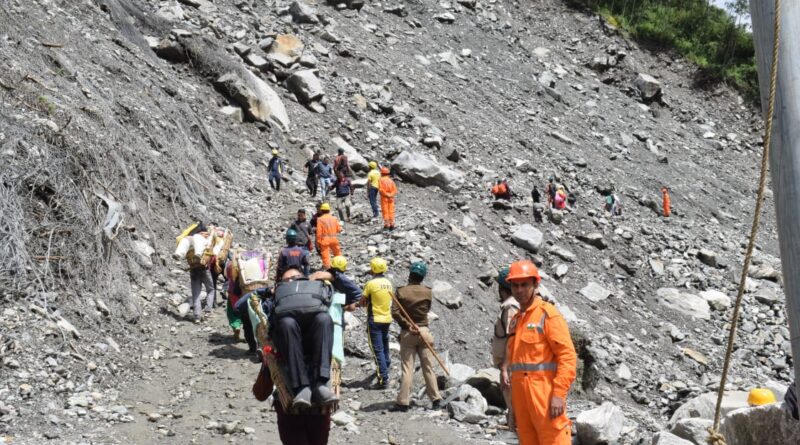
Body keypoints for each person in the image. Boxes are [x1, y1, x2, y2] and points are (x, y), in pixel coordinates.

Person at [501, 260, 577, 445]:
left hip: (545, 398)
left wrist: (559, 395)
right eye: (515, 285)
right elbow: (516, 366)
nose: (519, 290)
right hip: (522, 402)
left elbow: (567, 356)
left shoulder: (548, 315)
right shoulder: (516, 320)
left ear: (535, 284)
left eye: (524, 284)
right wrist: (513, 407)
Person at [271, 267, 338, 408]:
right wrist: (266, 292)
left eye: (295, 278)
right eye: (286, 280)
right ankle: (302, 387)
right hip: (289, 340)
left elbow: (353, 292)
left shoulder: (316, 287)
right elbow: (244, 305)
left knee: (324, 318)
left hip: (314, 339)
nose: (291, 281)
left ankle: (321, 383)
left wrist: (331, 275)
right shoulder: (275, 294)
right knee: (286, 322)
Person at [391, 262, 444, 412]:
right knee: (428, 367)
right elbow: (426, 309)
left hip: (408, 333)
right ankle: (436, 399)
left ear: (410, 274)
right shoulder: (428, 292)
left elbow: (395, 312)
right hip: (425, 332)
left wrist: (407, 324)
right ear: (423, 276)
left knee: (408, 368)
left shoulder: (401, 291)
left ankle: (403, 402)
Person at [491, 266, 520, 431]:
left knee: (508, 387)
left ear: (502, 288)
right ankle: (513, 417)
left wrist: (505, 365)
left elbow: (511, 335)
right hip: (510, 358)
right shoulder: (515, 304)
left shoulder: (510, 307)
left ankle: (515, 421)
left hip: (508, 359)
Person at [360, 257, 393, 388]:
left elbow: (362, 302)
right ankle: (387, 365)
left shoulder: (371, 284)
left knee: (377, 349)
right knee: (385, 345)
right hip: (387, 318)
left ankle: (383, 379)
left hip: (375, 319)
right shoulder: (388, 283)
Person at [315, 203, 342, 270]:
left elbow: (319, 232)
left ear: (321, 210)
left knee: (325, 255)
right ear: (329, 210)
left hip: (325, 240)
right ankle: (340, 265)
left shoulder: (320, 219)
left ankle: (327, 269)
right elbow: (339, 229)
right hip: (334, 239)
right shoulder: (334, 218)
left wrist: (318, 242)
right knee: (337, 253)